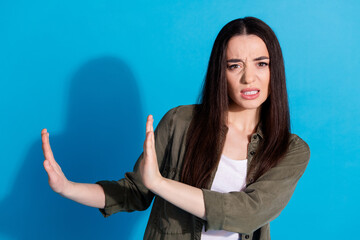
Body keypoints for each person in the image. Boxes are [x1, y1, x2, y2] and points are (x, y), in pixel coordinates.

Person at [42, 17, 310, 240]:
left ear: (275, 70)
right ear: (221, 72)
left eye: (261, 63)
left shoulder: (290, 150)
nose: (249, 77)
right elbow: (135, 191)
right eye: (234, 65)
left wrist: (160, 183)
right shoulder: (180, 123)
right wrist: (67, 188)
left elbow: (246, 213)